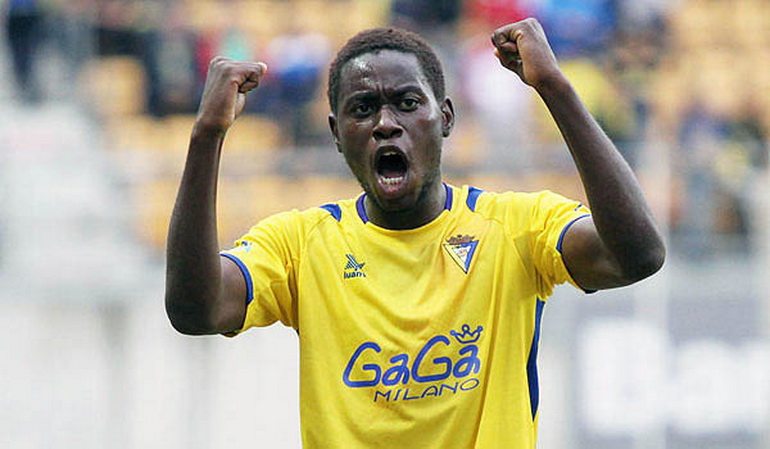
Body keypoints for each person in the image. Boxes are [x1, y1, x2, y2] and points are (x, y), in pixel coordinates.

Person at [165, 19, 665, 448]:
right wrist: (206, 136)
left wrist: (554, 87)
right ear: (337, 134)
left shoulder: (517, 227)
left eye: (407, 103)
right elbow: (196, 310)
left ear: (444, 118)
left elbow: (638, 256)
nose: (386, 123)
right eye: (363, 109)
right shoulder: (299, 244)